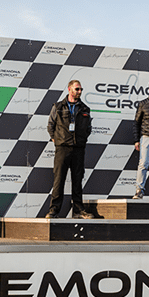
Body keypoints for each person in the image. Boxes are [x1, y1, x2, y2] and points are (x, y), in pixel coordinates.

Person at [46, 80, 94, 219]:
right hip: (62, 148)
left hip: (78, 148)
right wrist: (57, 140)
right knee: (59, 180)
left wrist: (81, 140)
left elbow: (88, 128)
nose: (79, 92)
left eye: (81, 89)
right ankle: (54, 210)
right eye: (77, 89)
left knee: (77, 180)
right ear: (69, 89)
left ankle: (78, 210)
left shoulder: (85, 109)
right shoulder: (58, 107)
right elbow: (50, 126)